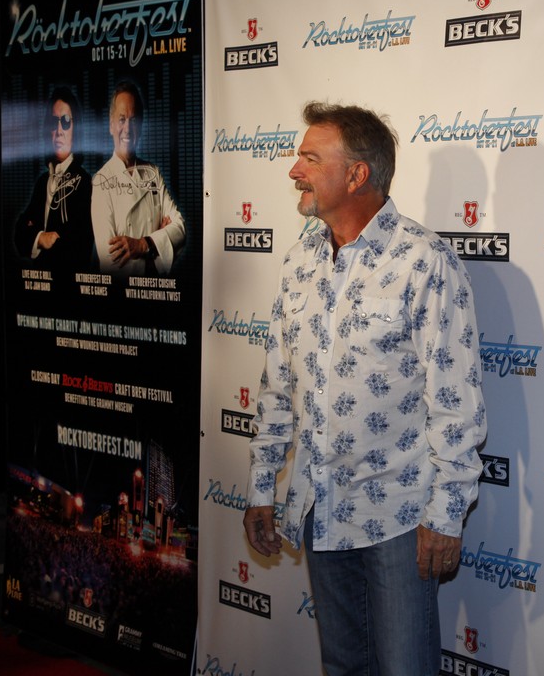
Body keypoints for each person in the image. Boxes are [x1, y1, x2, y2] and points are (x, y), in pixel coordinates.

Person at [243, 102, 486, 676]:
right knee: (344, 667)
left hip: (399, 518)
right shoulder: (299, 262)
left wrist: (446, 515)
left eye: (310, 158)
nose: (294, 171)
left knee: (405, 669)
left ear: (357, 174)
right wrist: (261, 485)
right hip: (320, 508)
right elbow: (278, 386)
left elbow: (455, 400)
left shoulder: (424, 261)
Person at [91, 80, 185, 275]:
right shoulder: (101, 181)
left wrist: (143, 244)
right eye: (122, 119)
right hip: (121, 292)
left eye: (133, 121)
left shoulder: (153, 173)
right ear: (111, 126)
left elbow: (180, 228)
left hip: (158, 289)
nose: (127, 129)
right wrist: (158, 247)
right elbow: (109, 261)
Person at [13, 87, 94, 269]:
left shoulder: (84, 182)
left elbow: (79, 245)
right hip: (40, 282)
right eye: (53, 122)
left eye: (65, 122)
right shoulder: (43, 182)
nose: (58, 131)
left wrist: (35, 234)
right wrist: (41, 238)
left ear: (75, 130)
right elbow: (19, 234)